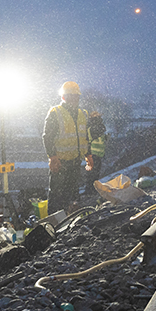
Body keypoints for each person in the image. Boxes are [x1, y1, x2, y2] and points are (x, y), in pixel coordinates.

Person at [42, 81, 91, 213]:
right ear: (63, 97)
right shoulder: (55, 113)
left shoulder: (83, 114)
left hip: (75, 162)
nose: (74, 99)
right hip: (60, 163)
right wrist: (52, 157)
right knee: (57, 196)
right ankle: (55, 221)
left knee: (72, 196)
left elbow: (85, 136)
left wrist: (88, 154)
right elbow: (47, 137)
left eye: (76, 96)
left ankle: (69, 219)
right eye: (71, 96)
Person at [85, 111, 107, 194]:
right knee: (93, 174)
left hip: (95, 154)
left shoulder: (93, 126)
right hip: (93, 154)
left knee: (93, 173)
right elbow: (101, 129)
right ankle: (91, 190)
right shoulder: (94, 127)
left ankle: (91, 190)